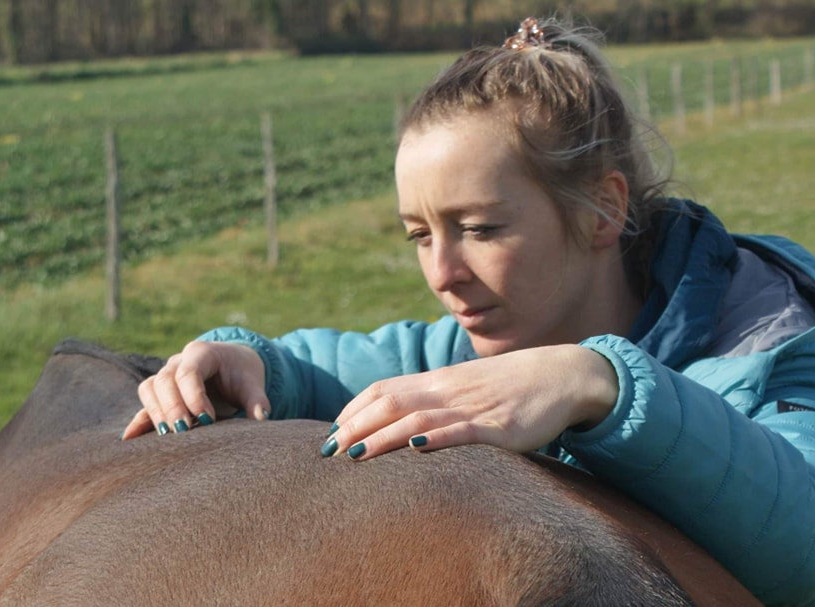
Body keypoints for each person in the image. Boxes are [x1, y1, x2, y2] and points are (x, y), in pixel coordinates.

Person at [123, 17, 815, 606]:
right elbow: (373, 362)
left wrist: (599, 385)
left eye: (480, 229)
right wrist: (251, 362)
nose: (442, 274)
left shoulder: (766, 339)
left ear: (603, 209)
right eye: (420, 236)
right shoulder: (499, 331)